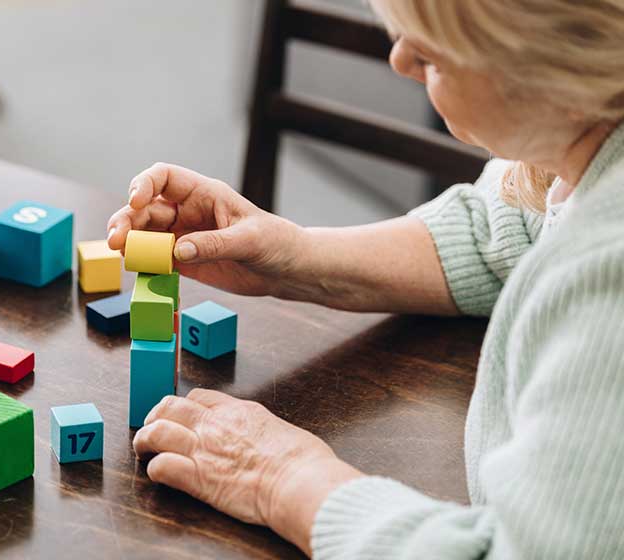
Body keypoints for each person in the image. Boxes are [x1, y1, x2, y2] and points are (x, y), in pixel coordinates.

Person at [106, 0, 624, 557]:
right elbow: (504, 231)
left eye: (432, 55)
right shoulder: (586, 135)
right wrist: (293, 255)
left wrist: (285, 479)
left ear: (557, 60)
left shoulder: (608, 285)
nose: (399, 60)